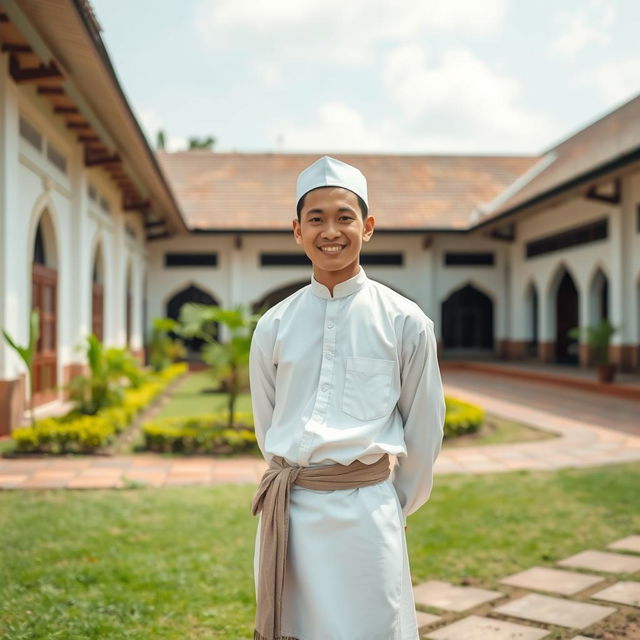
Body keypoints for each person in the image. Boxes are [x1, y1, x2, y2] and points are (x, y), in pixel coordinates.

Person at [249, 155, 446, 640]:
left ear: (369, 226)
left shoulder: (406, 322)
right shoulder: (274, 324)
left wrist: (393, 505)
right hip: (289, 511)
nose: (330, 231)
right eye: (315, 219)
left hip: (368, 513)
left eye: (344, 217)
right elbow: (267, 424)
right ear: (297, 230)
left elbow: (425, 428)